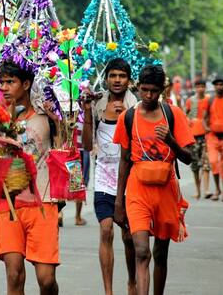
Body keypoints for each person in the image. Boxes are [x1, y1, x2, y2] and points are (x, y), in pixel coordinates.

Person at [114, 63, 194, 295]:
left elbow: (188, 158)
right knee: (142, 252)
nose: (148, 95)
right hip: (138, 189)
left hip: (166, 189)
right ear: (138, 87)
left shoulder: (173, 114)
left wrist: (171, 141)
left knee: (160, 253)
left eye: (154, 91)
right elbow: (124, 160)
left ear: (162, 90)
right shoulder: (127, 117)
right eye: (145, 90)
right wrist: (119, 201)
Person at [0, 61, 59, 295]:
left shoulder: (46, 117)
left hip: (44, 201)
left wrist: (60, 123)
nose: (4, 87)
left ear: (26, 84)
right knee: (14, 274)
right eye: (1, 82)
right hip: (8, 203)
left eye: (10, 82)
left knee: (46, 279)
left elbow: (65, 149)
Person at [81, 58, 137, 295]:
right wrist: (86, 113)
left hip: (130, 180)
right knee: (106, 230)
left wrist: (124, 117)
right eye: (113, 76)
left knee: (129, 236)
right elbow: (86, 144)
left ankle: (132, 281)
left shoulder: (136, 106)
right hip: (103, 179)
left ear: (129, 80)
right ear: (106, 79)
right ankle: (108, 291)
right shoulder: (96, 103)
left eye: (122, 76)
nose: (117, 80)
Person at [203, 77, 223, 201]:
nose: (219, 87)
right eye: (217, 85)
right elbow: (204, 118)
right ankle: (217, 189)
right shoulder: (210, 100)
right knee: (214, 162)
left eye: (222, 84)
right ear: (214, 87)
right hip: (213, 137)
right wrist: (206, 128)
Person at [184, 79, 210, 199]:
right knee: (195, 165)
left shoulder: (209, 99)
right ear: (195, 88)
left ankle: (206, 189)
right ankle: (198, 190)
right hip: (193, 136)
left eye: (202, 86)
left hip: (205, 135)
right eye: (198, 86)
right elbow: (185, 114)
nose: (200, 88)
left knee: (205, 163)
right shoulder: (191, 101)